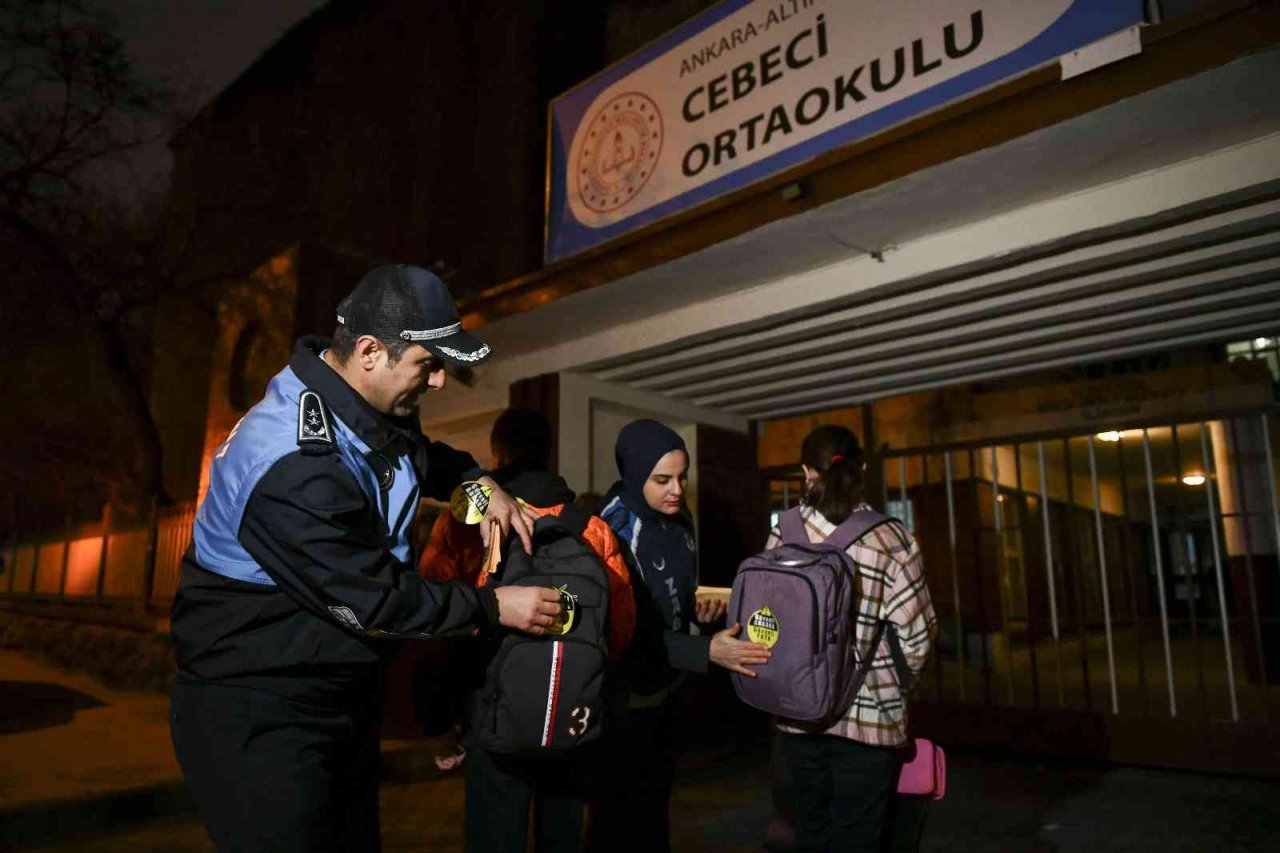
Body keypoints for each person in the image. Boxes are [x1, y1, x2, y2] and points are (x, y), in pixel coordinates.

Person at [169, 263, 564, 853]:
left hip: (336, 695)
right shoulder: (291, 464)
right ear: (372, 352)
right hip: (259, 709)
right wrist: (493, 606)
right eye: (428, 366)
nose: (437, 384)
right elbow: (375, 601)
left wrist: (486, 490)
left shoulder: (369, 410)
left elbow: (427, 460)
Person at [422, 408, 636, 853]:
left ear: (496, 456)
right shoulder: (591, 529)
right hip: (570, 718)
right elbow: (619, 629)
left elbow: (437, 628)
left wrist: (437, 720)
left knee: (494, 835)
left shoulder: (464, 525)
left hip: (490, 716)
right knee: (561, 836)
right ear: (548, 452)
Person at [587, 418, 772, 853]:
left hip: (666, 691)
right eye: (662, 479)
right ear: (634, 475)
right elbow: (623, 630)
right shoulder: (609, 532)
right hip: (622, 701)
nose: (676, 489)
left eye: (682, 476)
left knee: (654, 811)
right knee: (615, 821)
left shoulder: (679, 518)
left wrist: (696, 607)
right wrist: (707, 650)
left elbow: (670, 592)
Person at [768, 425, 936, 853]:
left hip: (798, 713)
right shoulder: (891, 537)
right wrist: (900, 687)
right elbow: (916, 635)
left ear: (807, 472)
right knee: (860, 836)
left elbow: (767, 622)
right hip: (871, 719)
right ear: (861, 468)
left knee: (811, 830)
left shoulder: (782, 534)